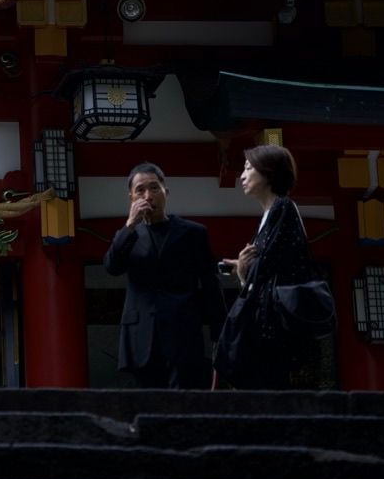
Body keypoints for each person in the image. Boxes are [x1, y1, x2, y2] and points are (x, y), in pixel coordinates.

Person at [103, 163, 225, 387]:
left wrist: (220, 333)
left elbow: (210, 283)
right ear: (131, 197)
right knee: (148, 405)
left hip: (183, 330)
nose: (148, 196)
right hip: (141, 335)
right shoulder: (129, 236)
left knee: (182, 404)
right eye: (140, 190)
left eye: (154, 188)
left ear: (165, 192)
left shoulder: (193, 233)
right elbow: (112, 266)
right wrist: (130, 224)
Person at [214, 144, 313, 389]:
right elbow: (269, 264)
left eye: (248, 168)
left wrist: (244, 271)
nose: (242, 176)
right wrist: (246, 267)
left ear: (268, 172)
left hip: (273, 326)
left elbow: (270, 268)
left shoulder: (282, 207)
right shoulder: (272, 214)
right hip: (269, 322)